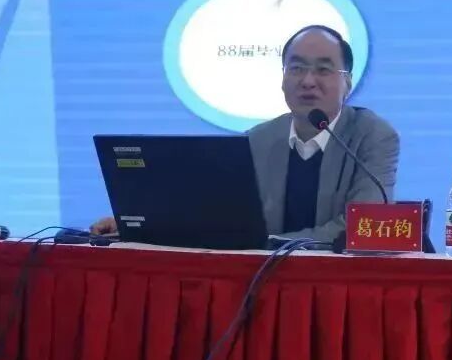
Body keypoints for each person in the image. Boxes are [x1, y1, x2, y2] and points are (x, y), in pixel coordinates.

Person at [91, 24, 400, 244]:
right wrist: (136, 223)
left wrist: (269, 244)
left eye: (323, 69)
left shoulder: (372, 136)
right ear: (282, 79)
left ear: (347, 83)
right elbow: (209, 208)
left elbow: (363, 225)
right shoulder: (258, 139)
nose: (308, 81)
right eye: (296, 68)